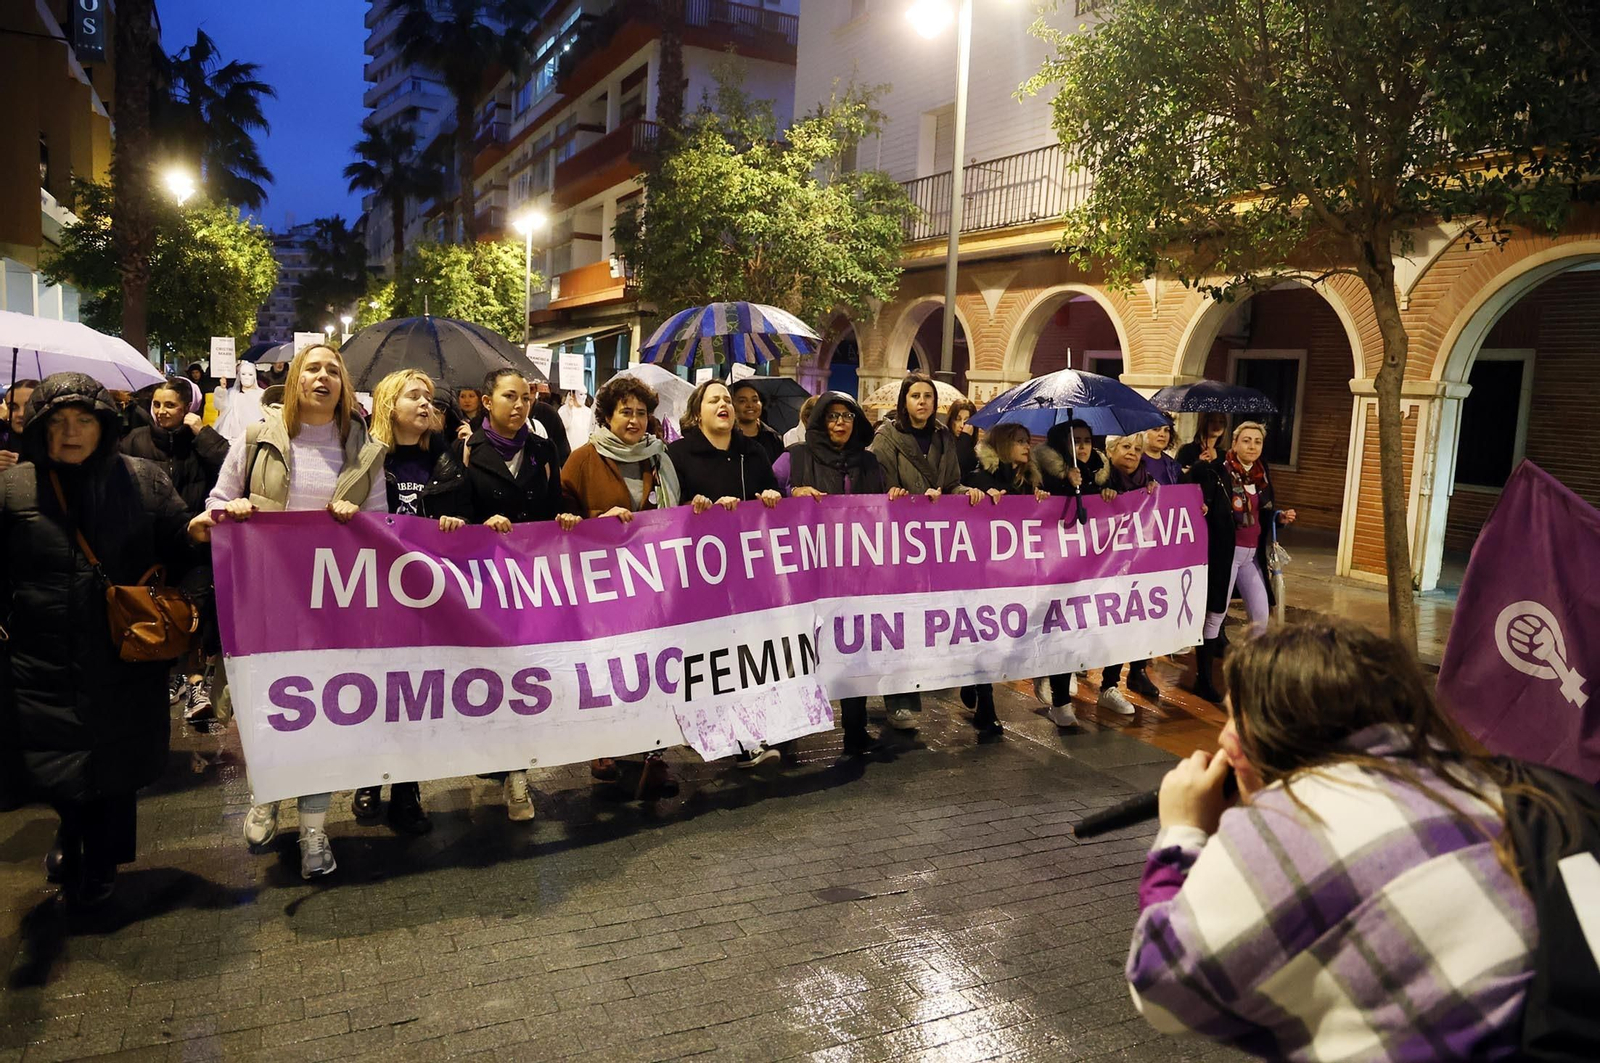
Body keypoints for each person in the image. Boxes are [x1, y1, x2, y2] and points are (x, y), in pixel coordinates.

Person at [1127, 620, 1547, 1059]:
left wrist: (1182, 832)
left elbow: (1163, 988)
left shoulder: (1291, 829)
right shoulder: (1474, 786)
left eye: (1234, 715)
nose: (1221, 736)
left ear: (1257, 733)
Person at [0, 373, 197, 909]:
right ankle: (71, 829)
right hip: (41, 658)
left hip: (122, 652)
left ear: (103, 425)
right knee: (54, 762)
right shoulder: (13, 488)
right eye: (58, 422)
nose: (71, 433)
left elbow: (180, 545)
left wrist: (197, 536)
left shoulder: (143, 481)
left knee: (115, 766)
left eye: (83, 420)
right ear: (39, 429)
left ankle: (105, 858)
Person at [191, 344, 388, 878]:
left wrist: (358, 520)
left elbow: (382, 529)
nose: (323, 377)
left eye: (333, 370)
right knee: (270, 712)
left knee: (321, 720)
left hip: (333, 610)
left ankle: (314, 830)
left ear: (343, 385)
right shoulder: (257, 437)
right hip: (266, 605)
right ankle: (267, 796)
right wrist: (233, 508)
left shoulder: (367, 451)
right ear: (296, 379)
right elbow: (216, 501)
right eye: (312, 368)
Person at [348, 369, 474, 834]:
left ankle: (406, 790)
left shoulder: (443, 456)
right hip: (374, 595)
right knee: (374, 692)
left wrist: (457, 524)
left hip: (426, 598)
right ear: (389, 405)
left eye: (429, 398)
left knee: (415, 698)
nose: (426, 404)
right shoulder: (366, 457)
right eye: (414, 396)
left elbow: (466, 513)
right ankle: (368, 776)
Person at [461, 368, 574, 817]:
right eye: (510, 396)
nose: (520, 405)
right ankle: (498, 761)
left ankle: (518, 776)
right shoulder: (467, 450)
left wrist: (564, 520)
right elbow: (451, 518)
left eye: (526, 397)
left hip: (532, 583)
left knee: (525, 677)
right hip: (485, 585)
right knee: (493, 677)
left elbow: (555, 506)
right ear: (487, 401)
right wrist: (480, 527)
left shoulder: (543, 450)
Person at [562, 375, 682, 790]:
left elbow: (676, 514)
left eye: (641, 413)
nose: (634, 420)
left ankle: (655, 753)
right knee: (607, 666)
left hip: (653, 582)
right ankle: (603, 746)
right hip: (601, 585)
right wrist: (598, 523)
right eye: (625, 412)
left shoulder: (660, 459)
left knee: (654, 665)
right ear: (607, 416)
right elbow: (561, 522)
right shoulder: (583, 459)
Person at [667, 380, 784, 765]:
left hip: (747, 572)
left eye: (727, 400)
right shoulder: (678, 454)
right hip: (699, 574)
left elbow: (772, 500)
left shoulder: (753, 452)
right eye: (714, 399)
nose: (724, 405)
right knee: (707, 656)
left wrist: (771, 498)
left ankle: (747, 737)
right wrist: (695, 506)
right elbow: (666, 511)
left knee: (744, 653)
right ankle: (703, 727)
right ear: (697, 412)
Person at [773, 391, 887, 755]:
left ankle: (855, 728)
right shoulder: (795, 457)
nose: (840, 423)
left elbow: (883, 508)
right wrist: (791, 493)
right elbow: (765, 497)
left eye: (847, 416)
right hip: (807, 577)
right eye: (833, 416)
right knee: (801, 653)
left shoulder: (869, 463)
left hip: (856, 576)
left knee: (855, 650)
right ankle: (786, 732)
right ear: (820, 420)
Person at [869, 373, 985, 731]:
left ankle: (912, 689)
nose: (922, 401)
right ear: (904, 401)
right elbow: (878, 485)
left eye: (928, 396)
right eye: (915, 395)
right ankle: (897, 700)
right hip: (898, 539)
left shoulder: (943, 436)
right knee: (898, 620)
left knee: (920, 620)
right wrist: (901, 496)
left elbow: (951, 482)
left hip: (932, 542)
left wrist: (966, 493)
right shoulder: (886, 437)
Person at [1189, 421, 1296, 702]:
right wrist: (1202, 503)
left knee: (1261, 618)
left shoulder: (1261, 473)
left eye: (1257, 441)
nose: (1252, 446)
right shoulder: (1218, 470)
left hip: (1252, 556)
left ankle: (1252, 676)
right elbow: (1197, 495)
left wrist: (1279, 517)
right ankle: (1203, 679)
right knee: (1215, 615)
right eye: (1246, 440)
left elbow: (1264, 510)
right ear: (1234, 443)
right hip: (1226, 554)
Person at [959, 423, 1051, 741]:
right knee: (984, 635)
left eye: (1027, 441)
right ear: (1002, 445)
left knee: (1001, 639)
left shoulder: (1029, 482)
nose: (1027, 446)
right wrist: (982, 500)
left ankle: (972, 680)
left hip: (1014, 575)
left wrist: (1039, 501)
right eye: (1019, 441)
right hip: (982, 573)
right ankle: (986, 705)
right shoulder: (979, 478)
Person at [1091, 433, 1161, 714]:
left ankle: (1109, 685)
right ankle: (1066, 674)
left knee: (1124, 623)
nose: (1132, 452)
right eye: (1126, 446)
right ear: (1110, 451)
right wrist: (1101, 496)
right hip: (1097, 567)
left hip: (1131, 567)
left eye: (1137, 448)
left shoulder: (1147, 482)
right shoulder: (1097, 478)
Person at [727, 379, 785, 465]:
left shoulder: (772, 438)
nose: (750, 405)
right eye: (742, 401)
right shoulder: (726, 437)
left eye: (755, 400)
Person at [214, 360, 266, 444]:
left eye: (250, 374)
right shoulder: (232, 393)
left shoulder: (262, 394)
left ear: (254, 376)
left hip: (254, 437)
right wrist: (222, 389)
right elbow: (220, 407)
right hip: (232, 437)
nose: (246, 377)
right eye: (243, 374)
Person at [0, 378, 39, 470]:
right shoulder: (3, 439)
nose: (21, 414)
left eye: (29, 406)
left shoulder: (59, 444)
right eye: (13, 407)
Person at [1141, 419, 1182, 485]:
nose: (1162, 434)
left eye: (1166, 430)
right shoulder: (1133, 460)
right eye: (1156, 429)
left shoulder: (1173, 466)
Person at [946, 399, 979, 478]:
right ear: (951, 420)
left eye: (966, 421)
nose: (961, 425)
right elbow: (955, 469)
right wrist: (965, 437)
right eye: (958, 419)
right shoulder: (942, 442)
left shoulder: (973, 448)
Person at [559, 387, 595, 452]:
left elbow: (592, 431)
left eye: (585, 394)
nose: (584, 397)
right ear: (573, 395)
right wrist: (569, 410)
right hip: (569, 450)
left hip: (585, 449)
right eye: (581, 394)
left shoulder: (589, 412)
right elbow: (562, 427)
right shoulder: (563, 410)